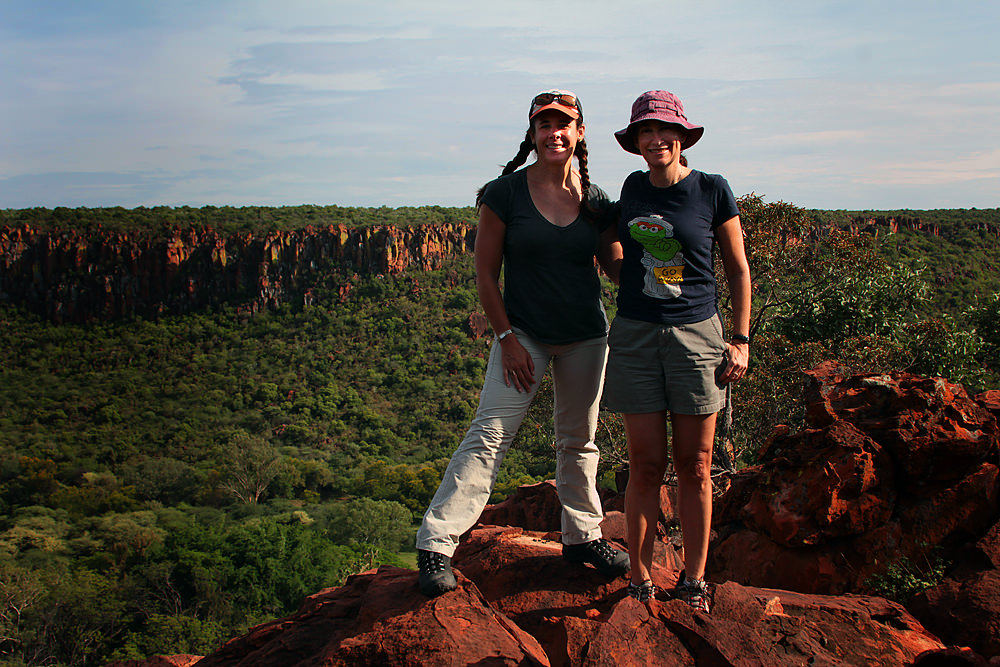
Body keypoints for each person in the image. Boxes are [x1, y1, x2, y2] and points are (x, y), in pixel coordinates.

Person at [415, 89, 630, 597]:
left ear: (578, 134)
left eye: (565, 124)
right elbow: (486, 275)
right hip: (524, 336)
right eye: (545, 124)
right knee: (491, 432)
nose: (555, 132)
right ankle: (436, 544)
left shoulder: (594, 200)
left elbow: (616, 265)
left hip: (586, 338)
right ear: (532, 134)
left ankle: (582, 537)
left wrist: (668, 268)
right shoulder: (505, 193)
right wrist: (507, 338)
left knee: (579, 439)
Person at [603, 90, 751, 611]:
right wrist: (627, 279)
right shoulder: (631, 188)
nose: (656, 139)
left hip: (698, 335)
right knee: (645, 464)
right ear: (636, 142)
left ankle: (693, 579)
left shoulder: (711, 190)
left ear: (683, 137)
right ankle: (640, 581)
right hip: (637, 337)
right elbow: (615, 243)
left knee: (696, 464)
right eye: (646, 131)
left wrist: (740, 338)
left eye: (666, 130)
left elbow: (736, 268)